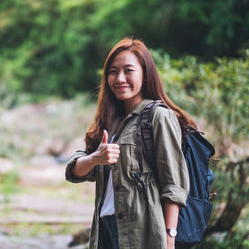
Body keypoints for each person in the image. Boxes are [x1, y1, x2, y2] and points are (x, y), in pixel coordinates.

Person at [65, 37, 193, 249]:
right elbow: (74, 172)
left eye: (128, 70)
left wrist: (170, 238)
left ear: (145, 73)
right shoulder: (109, 120)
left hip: (142, 233)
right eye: (113, 72)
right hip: (105, 230)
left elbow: (174, 185)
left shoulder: (159, 117)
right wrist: (95, 158)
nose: (119, 78)